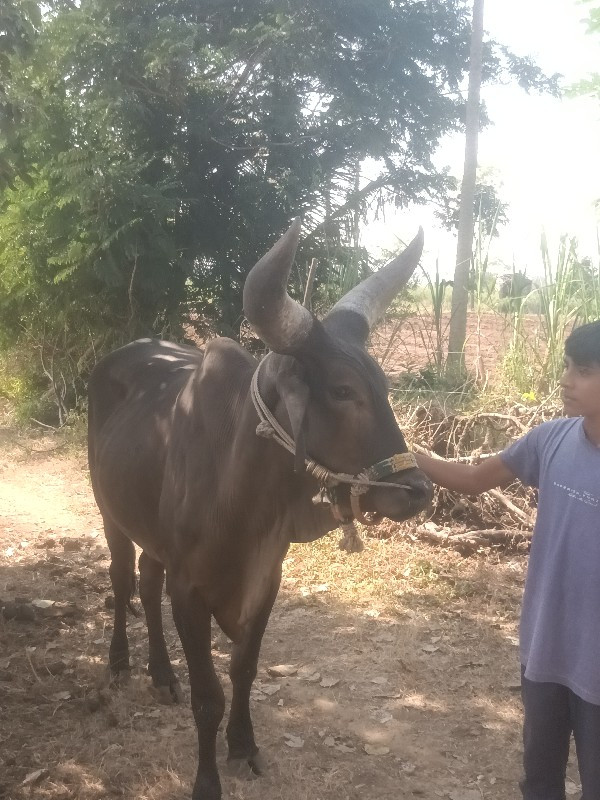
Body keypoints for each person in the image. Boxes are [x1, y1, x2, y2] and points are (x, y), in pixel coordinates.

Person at [415, 320, 600, 800]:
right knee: (539, 782)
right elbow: (475, 478)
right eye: (566, 367)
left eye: (583, 370)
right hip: (544, 649)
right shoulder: (551, 440)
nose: (566, 380)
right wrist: (408, 456)